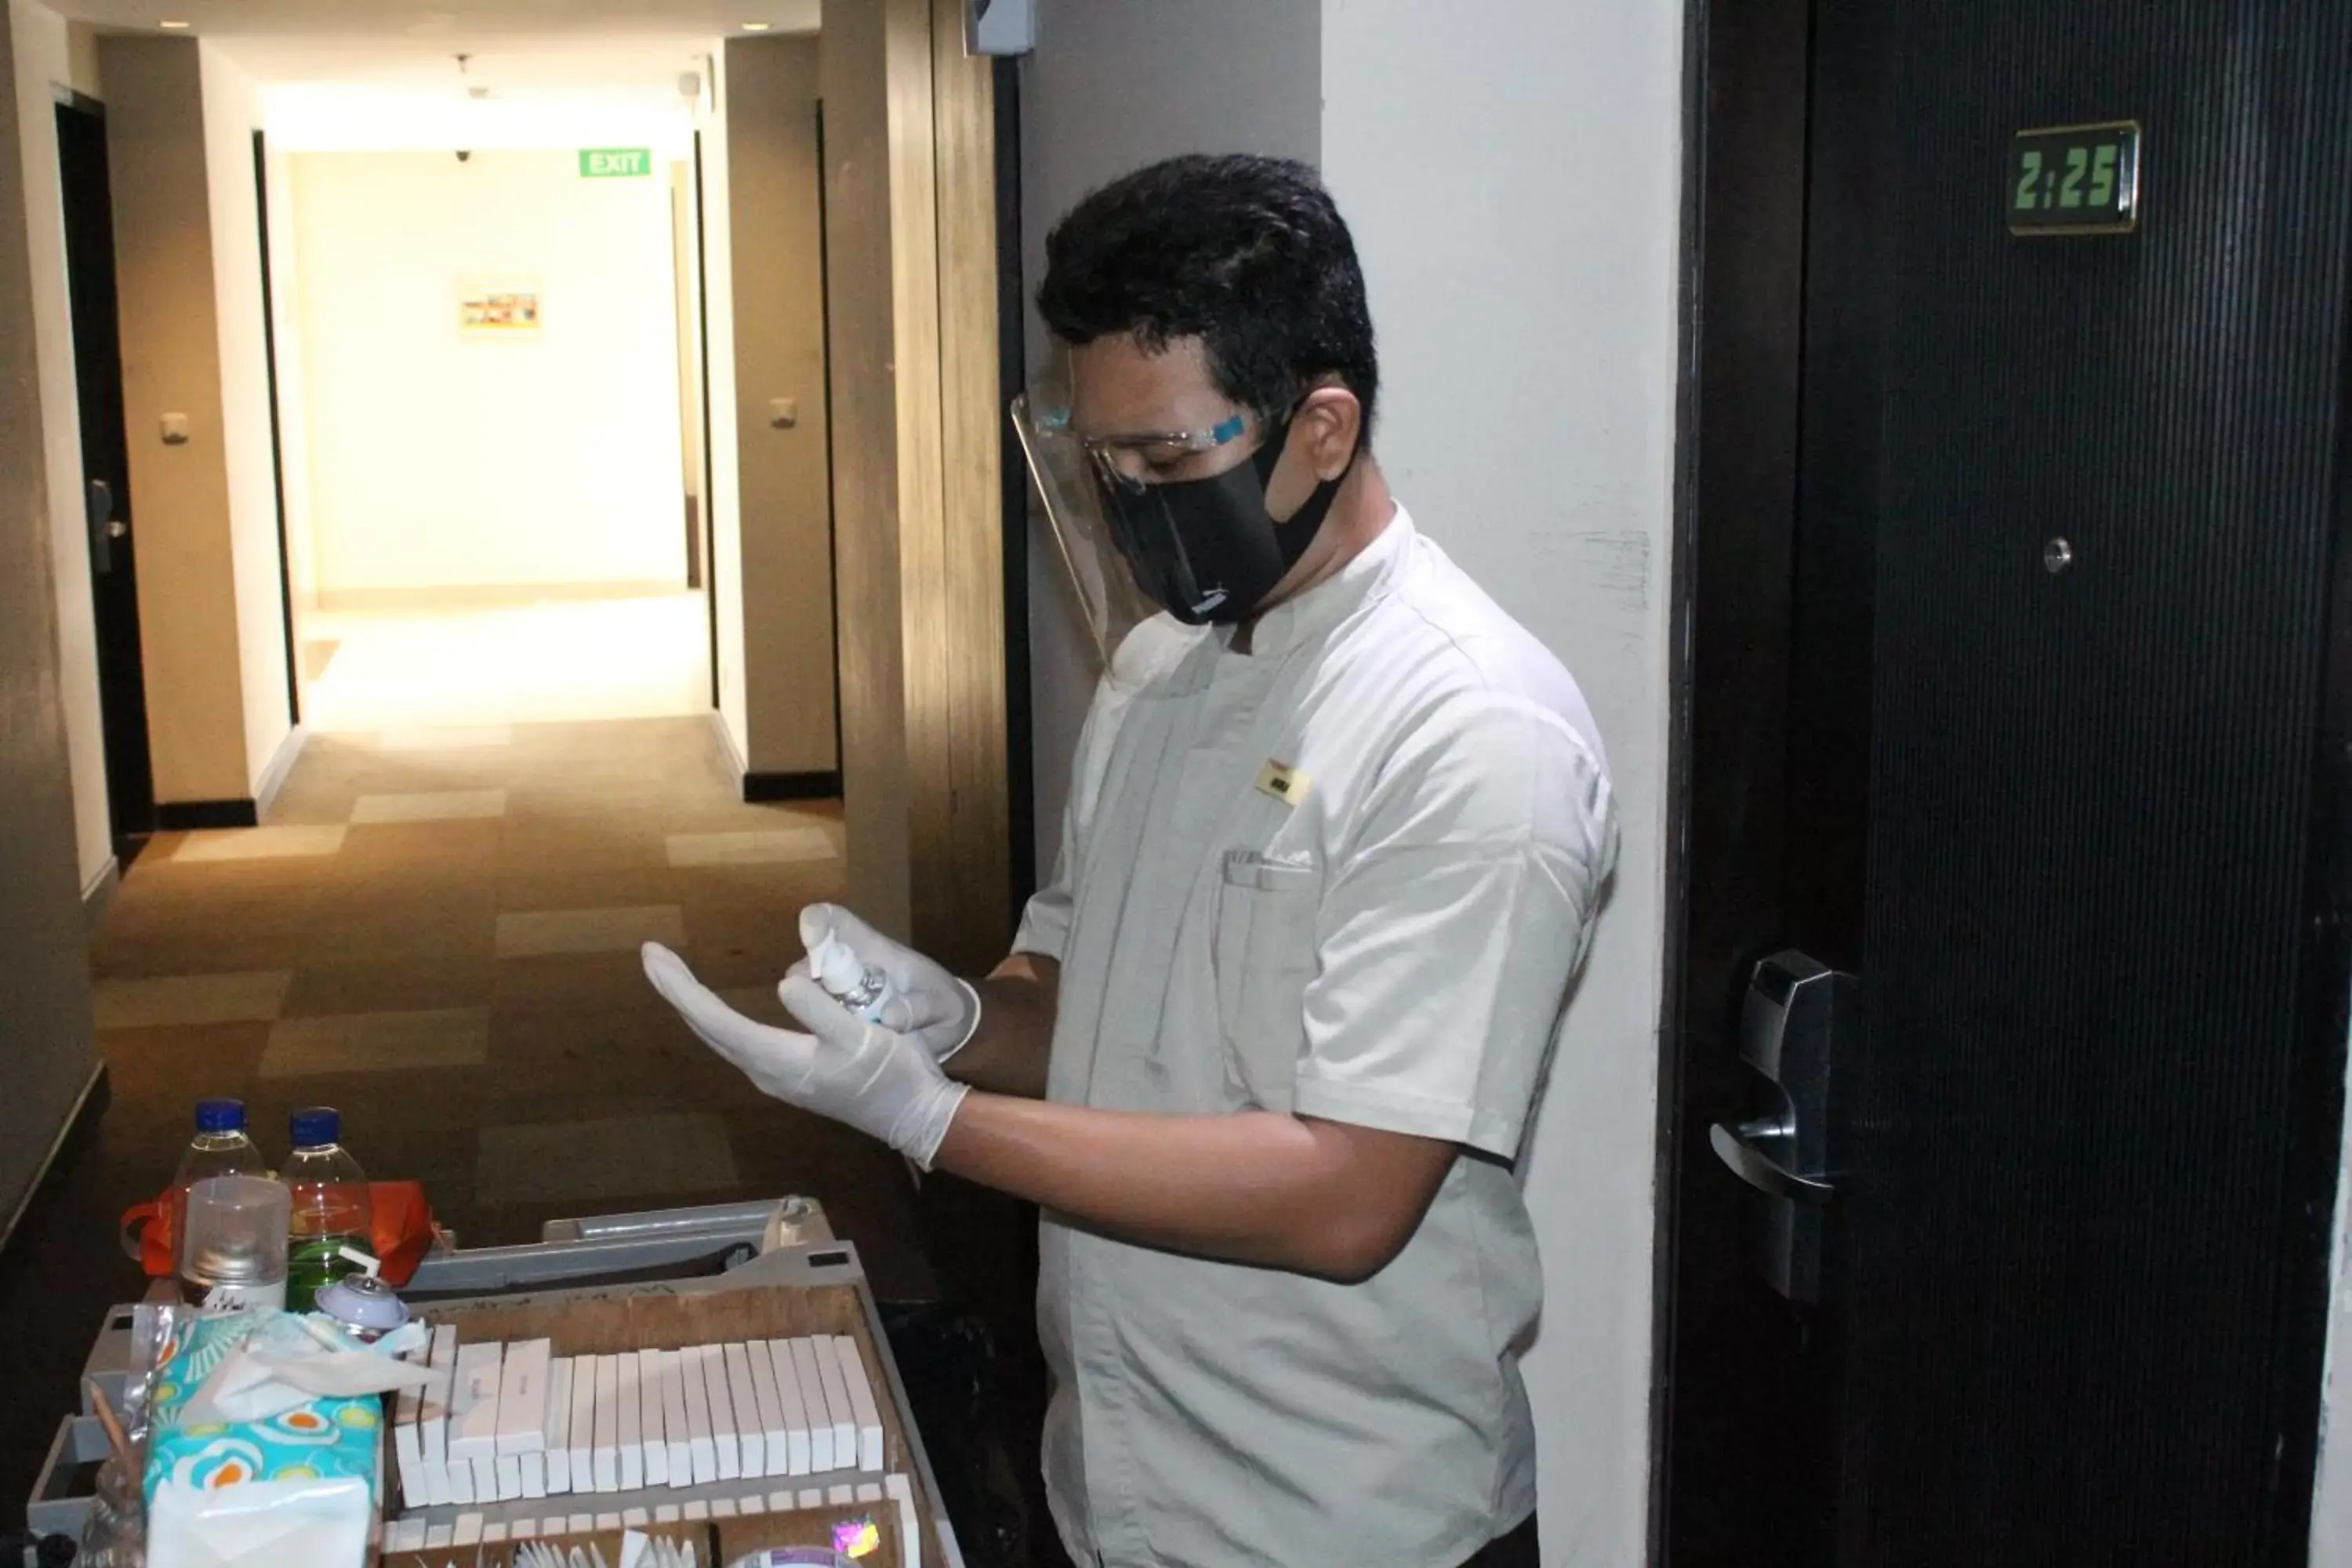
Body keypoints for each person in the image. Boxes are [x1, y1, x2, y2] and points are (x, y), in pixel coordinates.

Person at [644, 153, 1617, 1568]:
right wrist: (965, 1020)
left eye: (1171, 462)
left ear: (1324, 427)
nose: (1135, 505)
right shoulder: (1161, 671)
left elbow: (1349, 1196)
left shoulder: (1472, 733)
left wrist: (928, 1121)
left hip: (1340, 1516)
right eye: (1106, 465)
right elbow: (1089, 1006)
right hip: (1118, 1478)